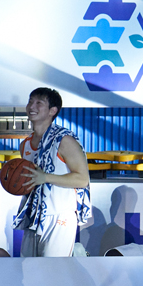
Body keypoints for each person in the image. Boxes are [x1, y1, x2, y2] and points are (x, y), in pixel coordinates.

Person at [14, 87, 90, 258]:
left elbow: (82, 179)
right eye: (30, 101)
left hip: (59, 215)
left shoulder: (64, 140)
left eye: (39, 103)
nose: (32, 106)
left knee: (53, 271)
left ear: (52, 111)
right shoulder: (25, 144)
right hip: (33, 215)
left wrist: (45, 177)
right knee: (29, 270)